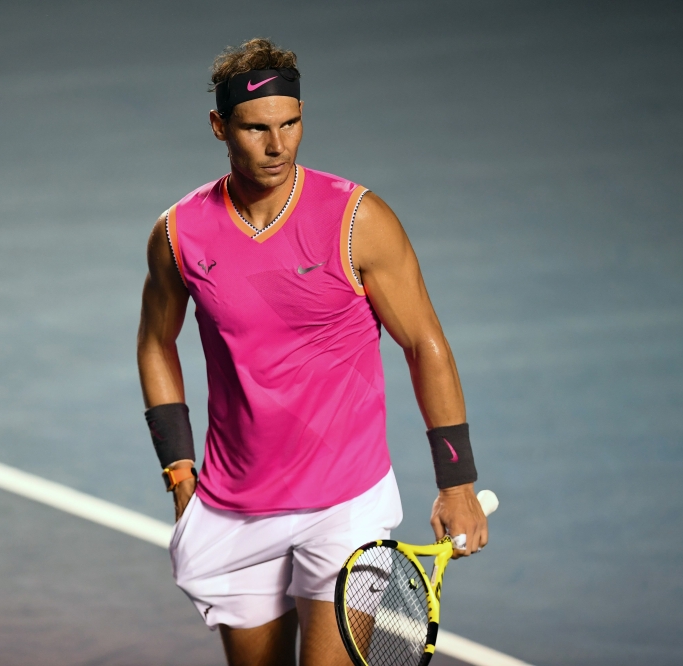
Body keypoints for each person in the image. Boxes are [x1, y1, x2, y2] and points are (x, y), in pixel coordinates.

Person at [137, 38, 488, 666]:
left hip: (344, 501)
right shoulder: (180, 233)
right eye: (255, 128)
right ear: (220, 126)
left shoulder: (357, 220)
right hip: (234, 503)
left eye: (290, 124)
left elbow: (424, 343)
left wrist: (456, 479)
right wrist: (179, 471)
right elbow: (156, 343)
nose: (277, 146)